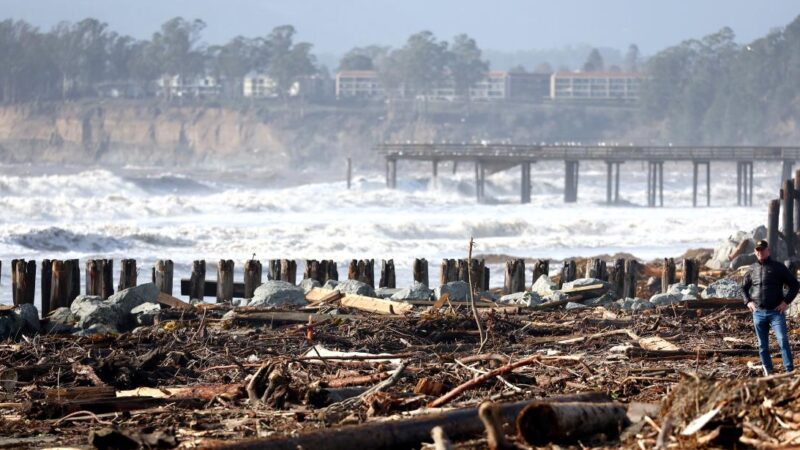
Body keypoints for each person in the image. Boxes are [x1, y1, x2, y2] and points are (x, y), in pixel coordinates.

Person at [742, 239, 799, 374]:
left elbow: (795, 285)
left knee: (783, 340)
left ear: (768, 250)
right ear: (755, 252)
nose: (760, 252)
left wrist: (785, 302)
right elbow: (743, 287)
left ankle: (789, 371)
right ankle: (768, 371)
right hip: (758, 313)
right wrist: (748, 302)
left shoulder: (778, 267)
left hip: (776, 313)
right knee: (762, 346)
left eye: (763, 249)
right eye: (758, 250)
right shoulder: (751, 269)